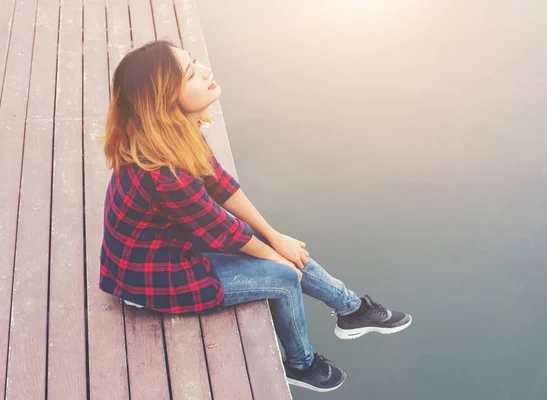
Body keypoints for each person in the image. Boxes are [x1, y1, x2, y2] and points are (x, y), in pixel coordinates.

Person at [99, 39, 412, 393]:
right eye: (190, 74)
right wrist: (278, 257)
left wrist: (274, 236)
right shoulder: (163, 172)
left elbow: (220, 184)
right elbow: (222, 231)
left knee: (278, 248)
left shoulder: (174, 132)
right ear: (164, 98)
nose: (205, 71)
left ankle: (350, 309)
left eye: (196, 62)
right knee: (282, 276)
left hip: (165, 250)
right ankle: (301, 364)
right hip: (148, 280)